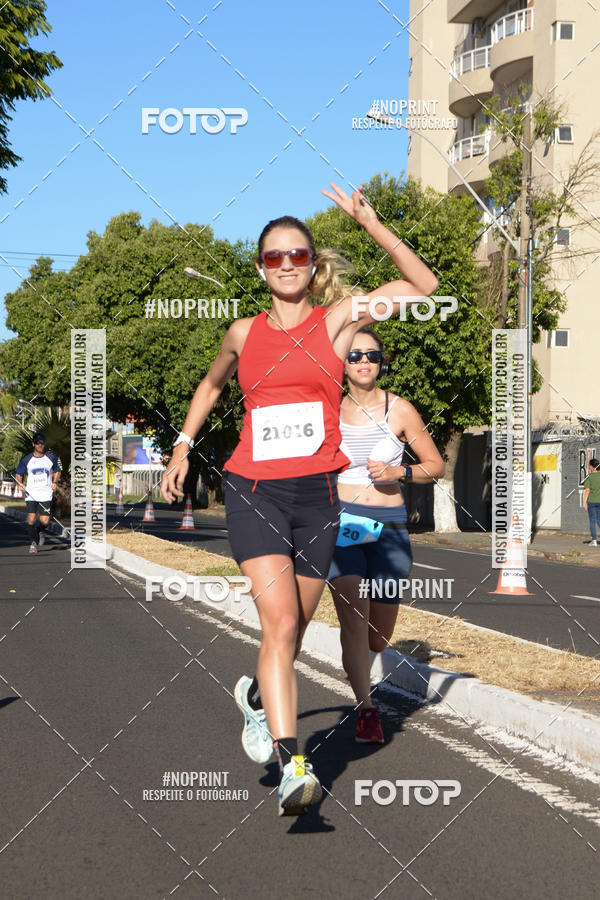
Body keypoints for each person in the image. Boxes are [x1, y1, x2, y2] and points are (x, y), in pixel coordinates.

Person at [161, 182, 438, 815]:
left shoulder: (339, 322)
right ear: (261, 268)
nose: (286, 264)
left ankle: (260, 698)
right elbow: (209, 388)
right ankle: (295, 765)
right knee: (280, 623)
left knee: (297, 626)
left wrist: (370, 221)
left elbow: (423, 287)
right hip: (253, 490)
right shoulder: (242, 332)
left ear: (313, 268)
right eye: (273, 257)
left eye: (298, 255)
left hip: (318, 497)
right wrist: (182, 446)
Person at [328, 328, 444, 743]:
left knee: (378, 636)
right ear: (341, 361)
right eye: (355, 354)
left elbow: (436, 465)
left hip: (391, 524)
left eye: (372, 356)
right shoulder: (327, 408)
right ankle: (366, 710)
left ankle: (365, 674)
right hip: (343, 522)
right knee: (353, 617)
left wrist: (401, 472)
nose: (363, 361)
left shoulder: (400, 410)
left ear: (382, 362)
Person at [15, 432, 61, 554]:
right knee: (31, 518)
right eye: (38, 443)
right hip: (31, 494)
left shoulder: (50, 458)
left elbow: (57, 471)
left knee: (45, 521)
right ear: (33, 444)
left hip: (46, 494)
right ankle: (33, 543)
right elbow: (18, 474)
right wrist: (21, 483)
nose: (40, 445)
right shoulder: (27, 459)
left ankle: (39, 530)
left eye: (42, 443)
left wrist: (55, 481)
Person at [583, 458, 600, 547]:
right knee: (599, 520)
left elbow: (587, 490)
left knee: (592, 521)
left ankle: (594, 541)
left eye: (589, 465)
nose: (589, 467)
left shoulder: (589, 477)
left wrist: (584, 502)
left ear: (593, 467)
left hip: (592, 502)